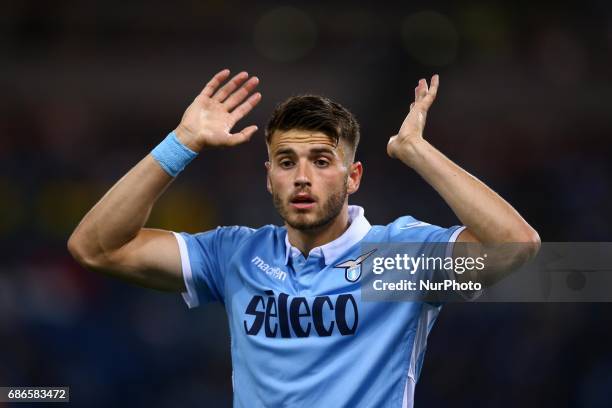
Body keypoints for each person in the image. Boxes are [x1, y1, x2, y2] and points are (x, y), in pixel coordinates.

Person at [68, 69, 540, 407]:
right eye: (287, 161)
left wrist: (416, 152)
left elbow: (516, 245)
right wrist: (182, 143)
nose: (302, 177)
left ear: (353, 176)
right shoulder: (237, 254)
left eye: (321, 160)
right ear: (268, 176)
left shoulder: (394, 260)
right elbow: (96, 247)